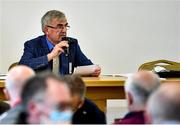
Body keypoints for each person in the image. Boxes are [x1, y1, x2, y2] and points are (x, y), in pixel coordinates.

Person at [19, 10, 101, 76]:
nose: (64, 30)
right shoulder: (33, 44)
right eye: (59, 27)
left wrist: (94, 70)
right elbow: (22, 67)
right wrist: (50, 56)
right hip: (42, 92)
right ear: (46, 30)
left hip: (66, 91)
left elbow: (87, 65)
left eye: (66, 26)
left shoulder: (71, 44)